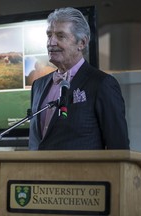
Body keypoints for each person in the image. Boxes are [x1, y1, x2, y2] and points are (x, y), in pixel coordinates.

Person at [28, 7, 130, 150]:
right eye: (49, 35)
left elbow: (119, 148)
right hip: (37, 172)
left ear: (81, 42)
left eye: (60, 36)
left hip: (82, 172)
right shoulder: (38, 85)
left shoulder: (102, 84)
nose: (51, 42)